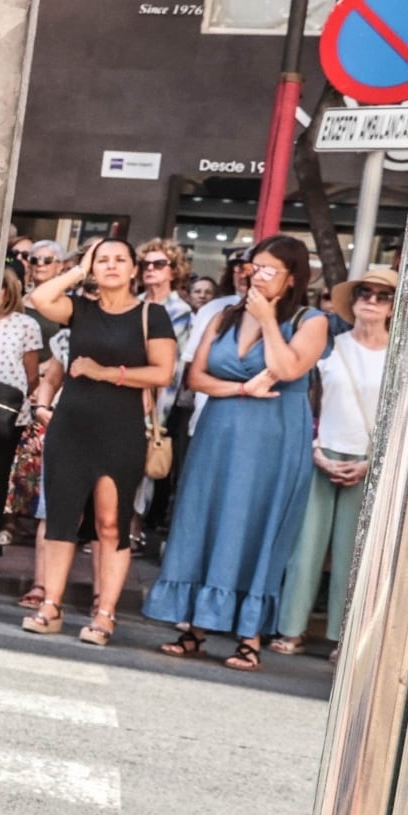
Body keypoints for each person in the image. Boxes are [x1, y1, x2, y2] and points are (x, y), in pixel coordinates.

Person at [144, 234, 325, 666]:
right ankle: (195, 626)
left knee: (256, 525)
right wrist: (242, 387)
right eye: (253, 266)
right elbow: (196, 378)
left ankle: (250, 635)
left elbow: (287, 368)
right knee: (203, 519)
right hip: (219, 432)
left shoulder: (309, 320)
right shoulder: (224, 315)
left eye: (268, 269)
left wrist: (265, 320)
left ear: (292, 278)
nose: (255, 275)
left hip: (274, 438)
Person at [24, 237, 180, 645]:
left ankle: (105, 613)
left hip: (121, 428)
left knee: (111, 523)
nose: (111, 266)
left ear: (135, 269)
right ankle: (51, 605)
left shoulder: (153, 315)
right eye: (102, 260)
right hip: (71, 426)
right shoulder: (80, 310)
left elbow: (163, 373)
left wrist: (104, 373)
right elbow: (40, 298)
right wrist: (79, 269)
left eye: (119, 260)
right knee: (61, 518)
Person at [274, 266, 389, 656]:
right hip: (323, 451)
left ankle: (343, 637)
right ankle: (291, 630)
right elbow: (308, 401)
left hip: (372, 462)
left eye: (381, 295)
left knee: (353, 554)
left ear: (394, 307)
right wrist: (314, 449)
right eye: (365, 293)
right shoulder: (331, 346)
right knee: (305, 548)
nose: (371, 301)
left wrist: (373, 463)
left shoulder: (399, 358)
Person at [0, 269, 42, 583]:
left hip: (6, 408)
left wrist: (19, 400)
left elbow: (31, 375)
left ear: (8, 291)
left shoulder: (26, 324)